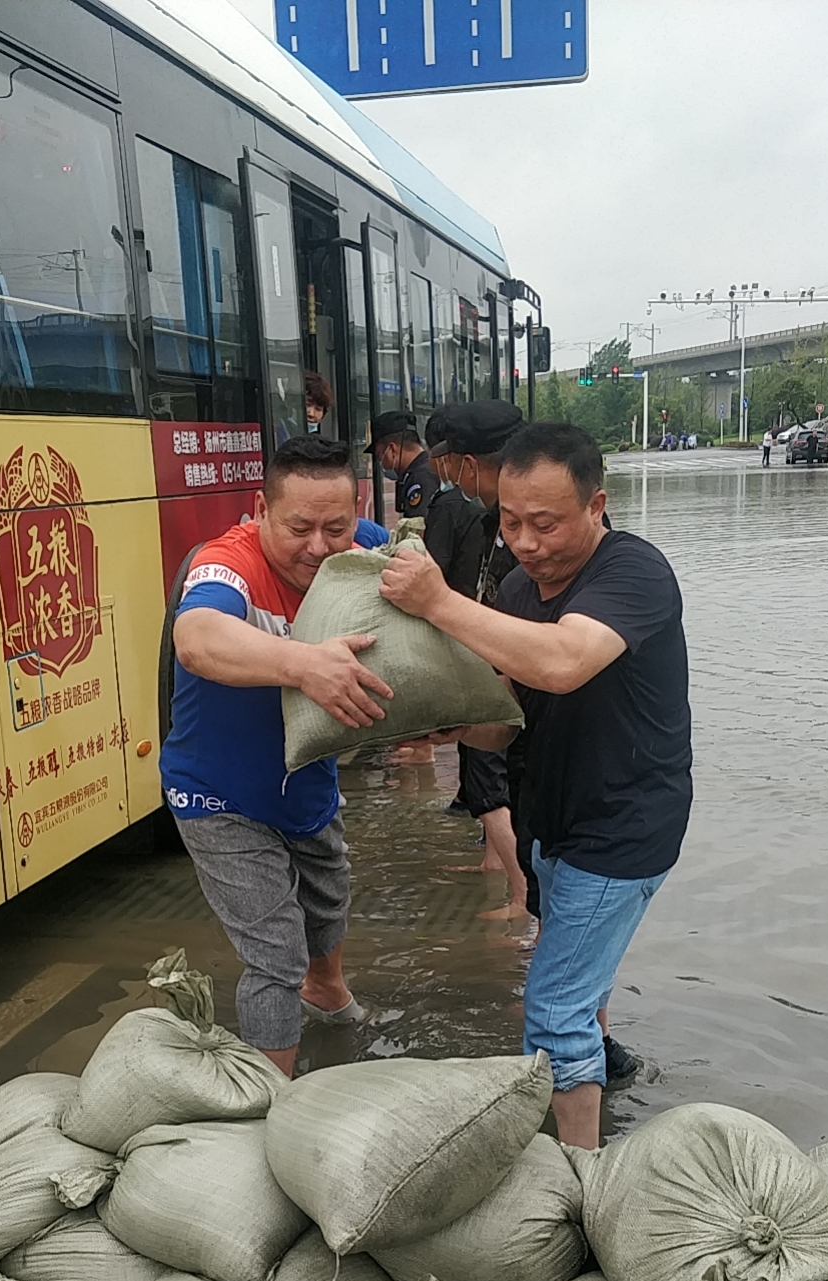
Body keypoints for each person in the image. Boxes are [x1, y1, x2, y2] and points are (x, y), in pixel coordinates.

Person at [379, 421, 693, 1149]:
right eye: (512, 521)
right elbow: (506, 722)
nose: (525, 541)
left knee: (552, 1010)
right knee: (578, 980)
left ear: (596, 505)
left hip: (622, 825)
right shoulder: (520, 590)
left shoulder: (634, 572)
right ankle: (606, 1071)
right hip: (549, 818)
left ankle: (581, 1177)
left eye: (545, 524)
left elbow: (563, 663)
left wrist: (438, 602)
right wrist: (446, 724)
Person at [160, 435, 394, 1078]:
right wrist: (305, 665)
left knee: (329, 903)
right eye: (298, 528)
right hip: (217, 794)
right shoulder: (226, 565)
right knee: (275, 953)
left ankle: (328, 991)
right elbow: (196, 639)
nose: (317, 546)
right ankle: (270, 1096)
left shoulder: (365, 546)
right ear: (262, 510)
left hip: (307, 781)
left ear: (356, 513)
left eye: (335, 528)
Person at [426, 400, 532, 916]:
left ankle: (523, 897)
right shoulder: (493, 521)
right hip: (496, 680)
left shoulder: (523, 531)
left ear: (467, 463)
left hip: (514, 685)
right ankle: (508, 877)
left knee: (496, 788)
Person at [366, 411, 439, 517]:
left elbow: (417, 523)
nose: (380, 461)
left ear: (392, 449)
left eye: (379, 454)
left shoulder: (421, 477)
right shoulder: (423, 469)